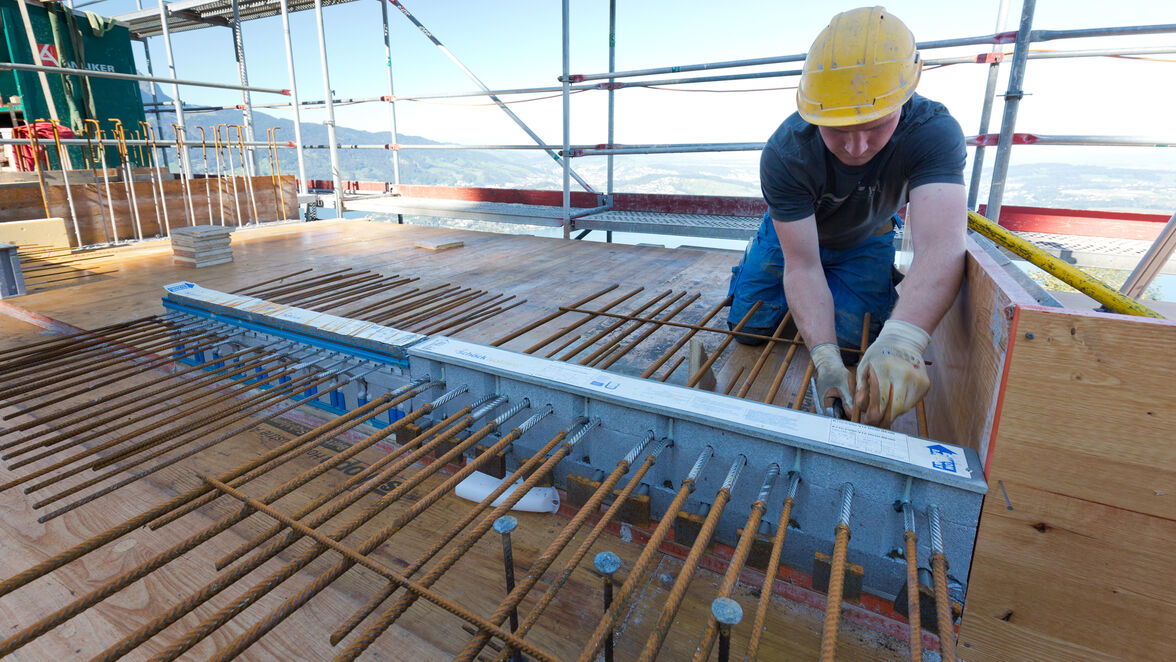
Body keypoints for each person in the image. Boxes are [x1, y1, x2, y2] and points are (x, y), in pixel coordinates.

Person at [727, 6, 966, 426]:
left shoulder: (932, 131)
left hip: (866, 237)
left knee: (861, 343)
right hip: (796, 240)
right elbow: (802, 265)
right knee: (749, 329)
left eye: (876, 125)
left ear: (904, 98)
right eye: (837, 128)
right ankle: (750, 267)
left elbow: (941, 245)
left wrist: (903, 338)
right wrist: (824, 360)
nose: (856, 147)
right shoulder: (786, 153)